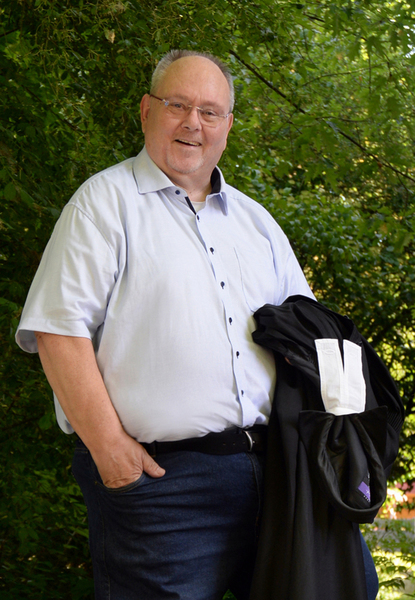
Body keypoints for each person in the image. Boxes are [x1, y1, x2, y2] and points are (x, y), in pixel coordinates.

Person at [16, 50, 371, 600]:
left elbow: (311, 340)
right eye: (177, 105)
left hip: (279, 475)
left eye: (209, 111)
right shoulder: (103, 204)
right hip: (162, 487)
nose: (193, 123)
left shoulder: (257, 223)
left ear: (228, 125)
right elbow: (58, 332)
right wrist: (112, 454)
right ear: (146, 111)